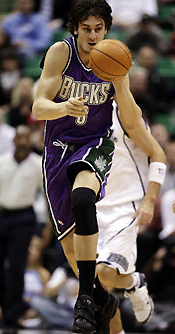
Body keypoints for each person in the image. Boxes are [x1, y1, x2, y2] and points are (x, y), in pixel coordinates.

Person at [32, 0, 166, 333]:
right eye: (86, 29)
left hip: (96, 149)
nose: (93, 36)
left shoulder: (113, 62)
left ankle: (86, 301)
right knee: (81, 264)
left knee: (82, 200)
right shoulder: (60, 54)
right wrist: (64, 106)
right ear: (74, 28)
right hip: (58, 151)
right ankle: (101, 301)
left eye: (99, 29)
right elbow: (38, 107)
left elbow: (136, 125)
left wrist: (121, 80)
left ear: (106, 29)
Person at [96, 101, 166, 333]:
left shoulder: (124, 110)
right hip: (90, 208)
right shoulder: (77, 111)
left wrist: (150, 201)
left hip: (125, 208)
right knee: (96, 286)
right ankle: (132, 285)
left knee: (104, 274)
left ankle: (135, 283)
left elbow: (158, 155)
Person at [0, 125, 43, 327]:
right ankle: (0, 305)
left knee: (16, 265)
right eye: (19, 138)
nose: (23, 143)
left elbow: (47, 196)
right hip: (1, 215)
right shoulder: (0, 162)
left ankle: (14, 312)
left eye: (26, 139)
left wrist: (47, 228)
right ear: (14, 141)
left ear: (29, 142)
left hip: (24, 217)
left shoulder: (37, 164)